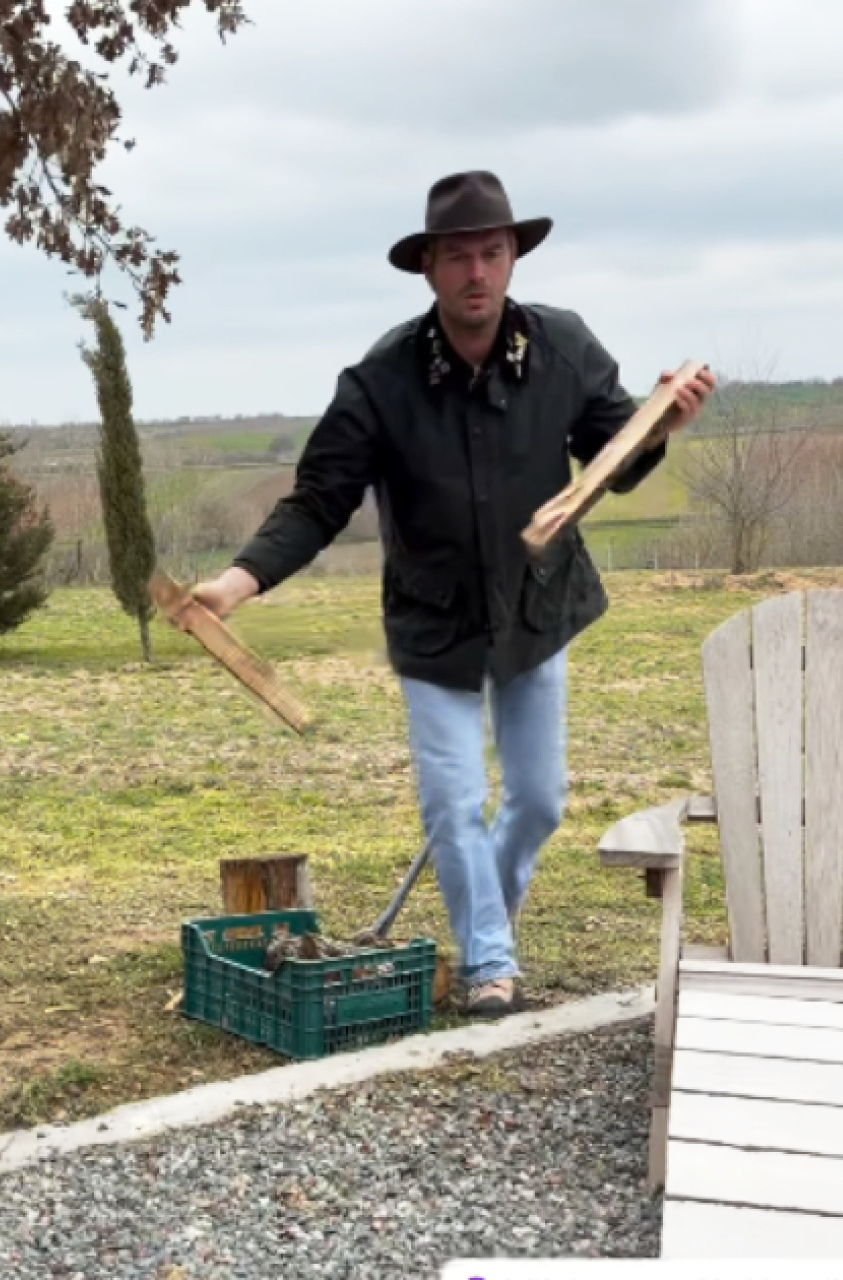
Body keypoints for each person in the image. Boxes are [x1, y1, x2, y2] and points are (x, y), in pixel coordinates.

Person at [192, 171, 714, 1017]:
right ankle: (489, 967)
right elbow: (318, 502)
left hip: (535, 610)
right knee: (454, 803)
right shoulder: (380, 382)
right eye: (460, 256)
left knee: (539, 801)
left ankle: (484, 927)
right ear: (429, 267)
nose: (478, 272)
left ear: (512, 260)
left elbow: (613, 459)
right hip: (433, 624)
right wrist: (234, 583)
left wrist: (661, 428)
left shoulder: (562, 348)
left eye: (492, 253)